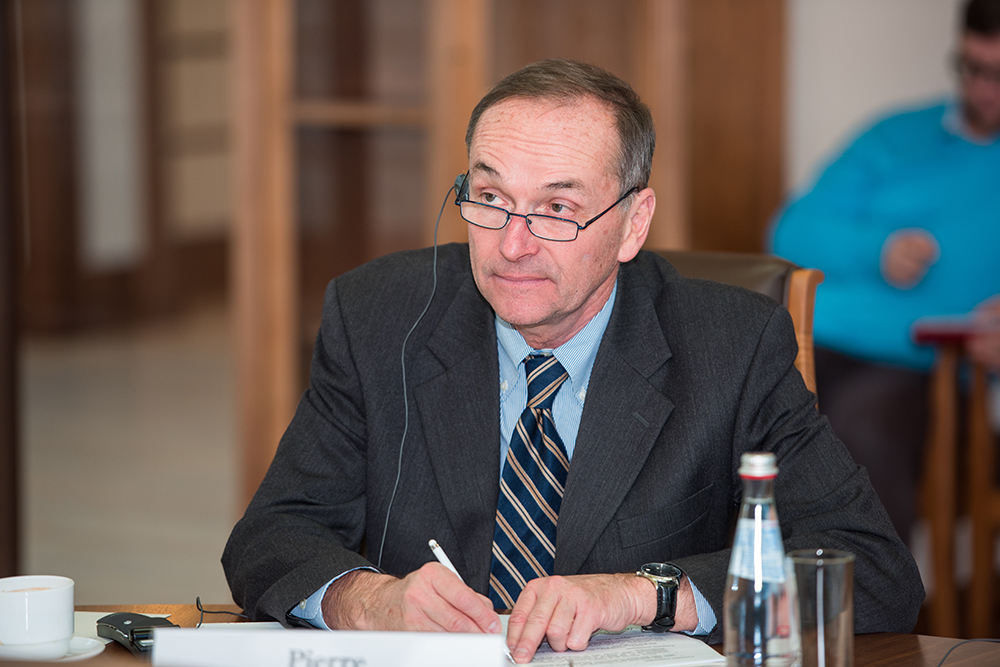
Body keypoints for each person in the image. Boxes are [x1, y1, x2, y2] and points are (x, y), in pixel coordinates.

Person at [224, 59, 923, 663]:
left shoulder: (732, 345)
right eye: (491, 198)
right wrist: (368, 599)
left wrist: (646, 594)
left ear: (633, 223)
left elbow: (876, 572)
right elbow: (271, 536)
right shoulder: (377, 316)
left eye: (557, 208)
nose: (513, 245)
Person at [771, 0, 1000, 547]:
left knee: (859, 428)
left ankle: (867, 599)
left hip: (932, 369)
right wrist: (877, 250)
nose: (983, 88)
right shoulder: (894, 136)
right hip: (820, 341)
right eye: (971, 68)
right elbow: (789, 231)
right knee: (743, 405)